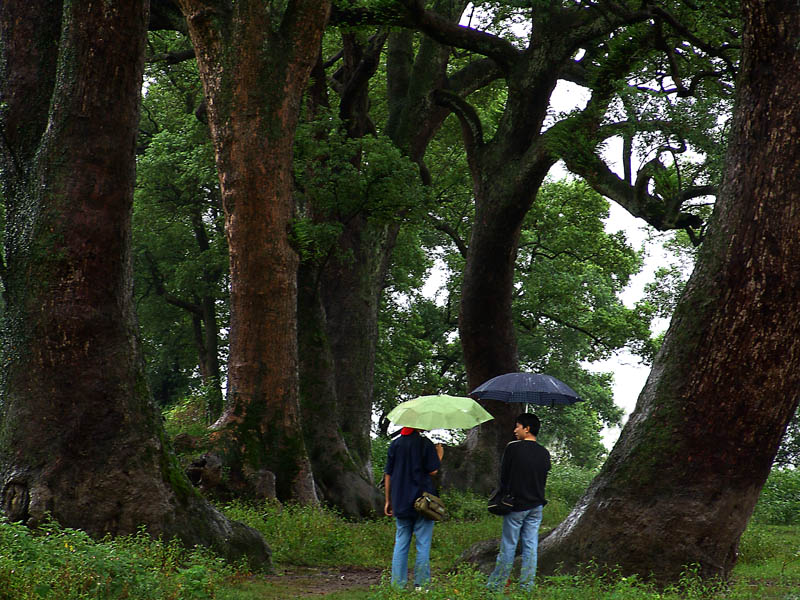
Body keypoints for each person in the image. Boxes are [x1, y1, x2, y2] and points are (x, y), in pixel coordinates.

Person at [487, 412, 551, 593]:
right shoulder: (544, 453)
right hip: (536, 505)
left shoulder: (513, 448)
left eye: (517, 426)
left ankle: (496, 586)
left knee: (509, 545)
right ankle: (526, 587)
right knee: (530, 547)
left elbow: (504, 476)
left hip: (515, 505)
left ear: (527, 428)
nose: (515, 430)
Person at [384, 427, 443, 589]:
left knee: (401, 542)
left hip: (400, 501)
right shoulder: (425, 443)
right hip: (422, 503)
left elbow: (388, 474)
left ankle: (397, 585)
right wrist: (439, 455)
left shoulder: (395, 445)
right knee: (423, 544)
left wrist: (388, 500)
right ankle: (421, 586)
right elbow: (433, 470)